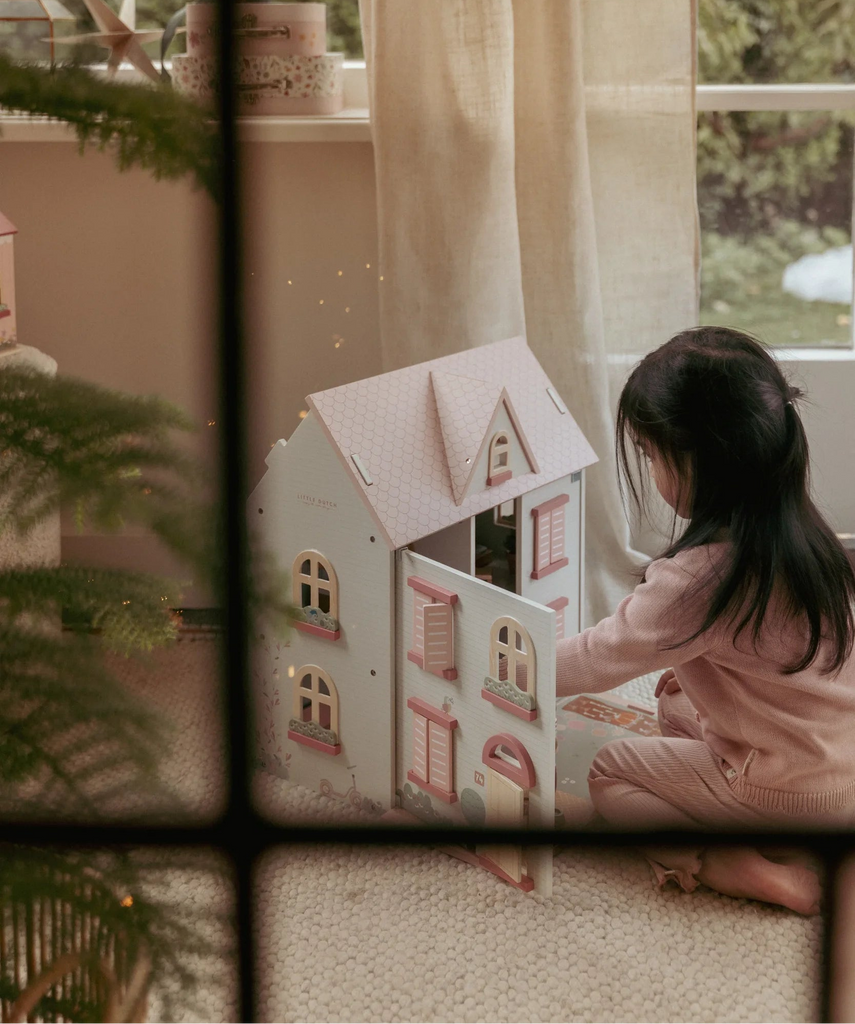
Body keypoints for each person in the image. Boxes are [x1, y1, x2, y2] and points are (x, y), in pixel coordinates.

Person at [556, 326, 855, 915]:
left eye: (650, 456)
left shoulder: (697, 582)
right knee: (672, 700)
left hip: (788, 791)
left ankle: (736, 865)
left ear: (694, 462)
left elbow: (596, 659)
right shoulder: (812, 538)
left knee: (610, 773)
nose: (651, 471)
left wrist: (510, 668)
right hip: (841, 765)